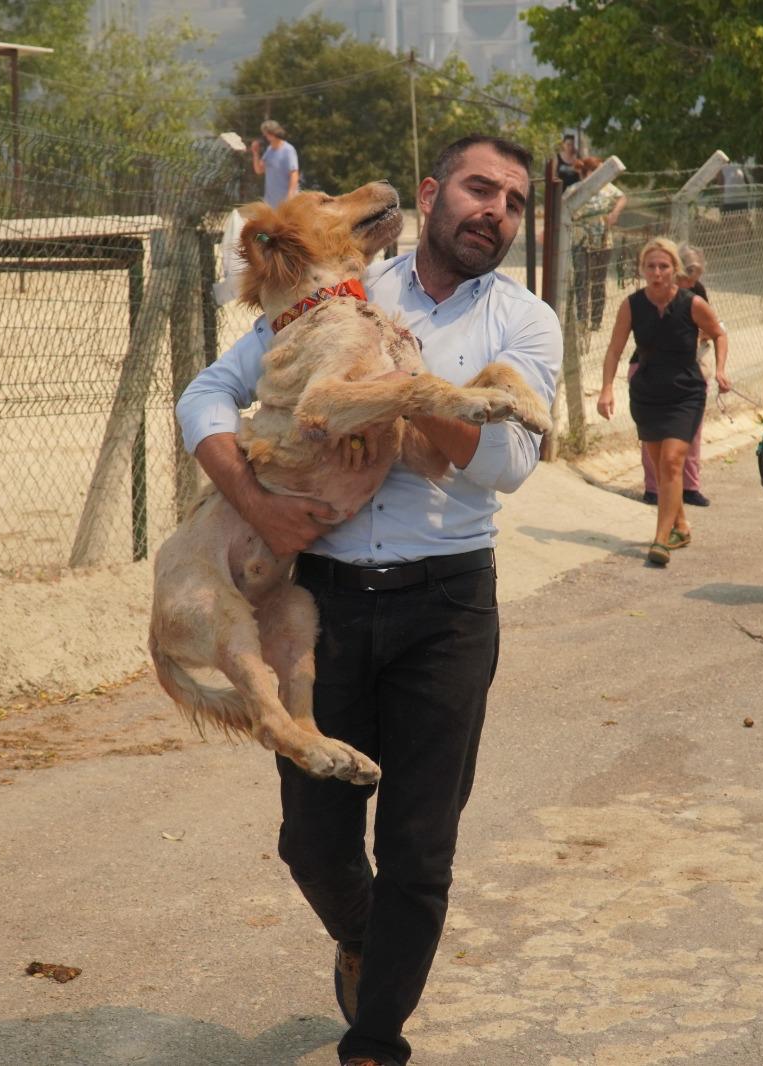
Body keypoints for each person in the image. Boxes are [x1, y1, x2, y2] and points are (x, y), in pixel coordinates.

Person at [175, 134, 560, 1066]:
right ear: (432, 195)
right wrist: (255, 503)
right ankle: (367, 940)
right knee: (311, 842)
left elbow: (505, 463)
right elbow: (207, 395)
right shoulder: (342, 289)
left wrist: (393, 395)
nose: (494, 211)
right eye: (478, 189)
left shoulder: (525, 322)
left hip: (448, 606)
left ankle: (375, 1038)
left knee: (422, 849)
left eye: (512, 201)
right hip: (326, 601)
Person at [595, 237, 731, 566]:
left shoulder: (692, 303)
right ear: (642, 270)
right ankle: (681, 525)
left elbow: (719, 333)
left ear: (675, 269)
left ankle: (661, 539)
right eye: (651, 266)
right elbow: (614, 348)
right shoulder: (632, 305)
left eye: (664, 266)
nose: (657, 273)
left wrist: (722, 369)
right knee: (661, 466)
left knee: (672, 461)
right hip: (647, 392)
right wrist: (606, 388)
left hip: (685, 390)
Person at [640, 242, 713, 506]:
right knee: (654, 435)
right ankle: (654, 489)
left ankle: (689, 487)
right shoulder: (651, 296)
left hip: (690, 371)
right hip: (655, 371)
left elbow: (711, 327)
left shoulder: (697, 294)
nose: (687, 286)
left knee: (690, 433)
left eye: (692, 281)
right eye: (683, 279)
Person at [569, 155, 625, 331]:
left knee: (598, 281)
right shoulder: (575, 189)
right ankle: (581, 318)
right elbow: (563, 209)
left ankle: (596, 320)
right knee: (581, 280)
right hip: (580, 242)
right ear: (590, 172)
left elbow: (622, 197)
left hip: (603, 242)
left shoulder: (608, 189)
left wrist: (614, 213)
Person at [251, 119, 300, 207]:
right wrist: (255, 153)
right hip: (270, 203)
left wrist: (290, 196)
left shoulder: (288, 150)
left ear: (273, 133)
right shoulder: (269, 150)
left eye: (266, 133)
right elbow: (259, 170)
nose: (265, 136)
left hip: (286, 203)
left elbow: (294, 174)